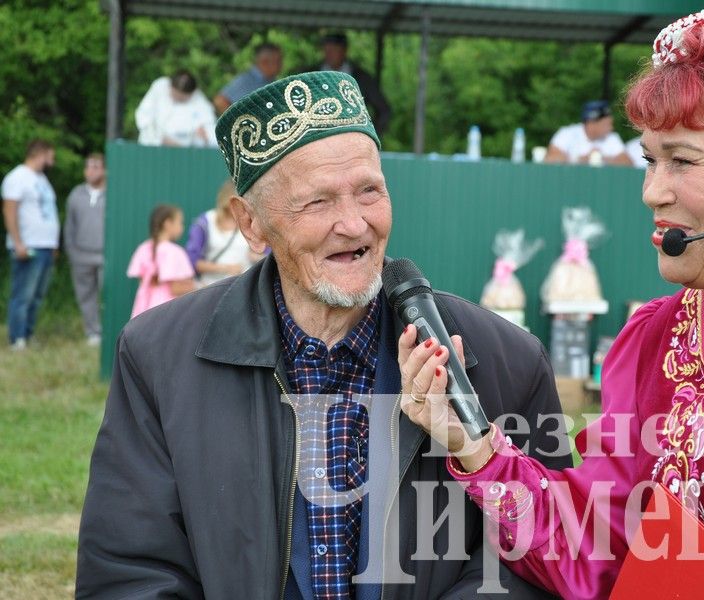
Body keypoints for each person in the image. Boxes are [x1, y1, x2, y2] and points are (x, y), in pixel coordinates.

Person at [400, 2, 704, 599]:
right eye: (649, 159)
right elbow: (598, 549)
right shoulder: (654, 340)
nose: (651, 191)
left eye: (681, 161)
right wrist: (473, 443)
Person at [77, 71, 570, 599]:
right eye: (318, 202)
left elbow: (536, 563)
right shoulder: (159, 359)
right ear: (251, 224)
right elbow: (131, 570)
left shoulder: (505, 362)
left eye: (369, 192)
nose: (355, 224)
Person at [2, 139, 58, 350]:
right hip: (28, 246)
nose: (52, 161)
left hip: (45, 246)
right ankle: (17, 338)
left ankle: (28, 332)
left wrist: (53, 245)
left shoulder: (41, 179)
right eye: (50, 155)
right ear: (40, 153)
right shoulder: (17, 177)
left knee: (37, 295)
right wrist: (18, 242)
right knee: (23, 294)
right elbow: (9, 210)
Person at [305, 32, 393, 135]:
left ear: (344, 51)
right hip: (316, 137)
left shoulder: (362, 78)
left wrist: (370, 134)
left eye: (334, 50)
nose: (329, 54)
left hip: (352, 138)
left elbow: (384, 110)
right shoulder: (310, 75)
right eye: (326, 50)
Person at [185, 179, 261, 286]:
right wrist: (226, 268)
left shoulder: (251, 221)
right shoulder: (205, 223)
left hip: (243, 286)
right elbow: (192, 261)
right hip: (212, 287)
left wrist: (256, 256)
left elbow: (265, 254)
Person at [64, 153, 106, 345]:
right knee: (85, 295)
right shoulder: (76, 194)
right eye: (88, 166)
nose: (90, 171)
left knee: (107, 293)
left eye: (96, 166)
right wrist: (72, 252)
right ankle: (93, 332)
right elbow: (69, 226)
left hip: (105, 255)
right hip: (81, 254)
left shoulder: (113, 193)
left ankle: (109, 329)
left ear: (105, 170)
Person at [125, 204, 195, 317]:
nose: (182, 227)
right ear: (167, 224)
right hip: (166, 314)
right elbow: (176, 288)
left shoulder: (143, 248)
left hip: (142, 313)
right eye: (180, 223)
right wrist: (199, 286)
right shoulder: (175, 252)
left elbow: (142, 282)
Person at [135, 70, 217, 147]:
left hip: (185, 152)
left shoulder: (199, 101)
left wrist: (204, 136)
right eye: (175, 94)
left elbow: (209, 131)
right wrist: (159, 138)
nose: (177, 98)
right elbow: (143, 117)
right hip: (152, 147)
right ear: (170, 86)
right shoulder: (160, 87)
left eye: (182, 98)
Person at [544, 100, 632, 166]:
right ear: (592, 124)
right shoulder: (567, 133)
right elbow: (550, 159)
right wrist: (580, 160)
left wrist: (602, 159)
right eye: (606, 124)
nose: (611, 127)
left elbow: (628, 163)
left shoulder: (612, 137)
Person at [214, 42, 283, 115]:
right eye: (278, 61)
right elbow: (220, 101)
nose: (281, 65)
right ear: (264, 62)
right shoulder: (246, 80)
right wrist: (239, 121)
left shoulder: (271, 80)